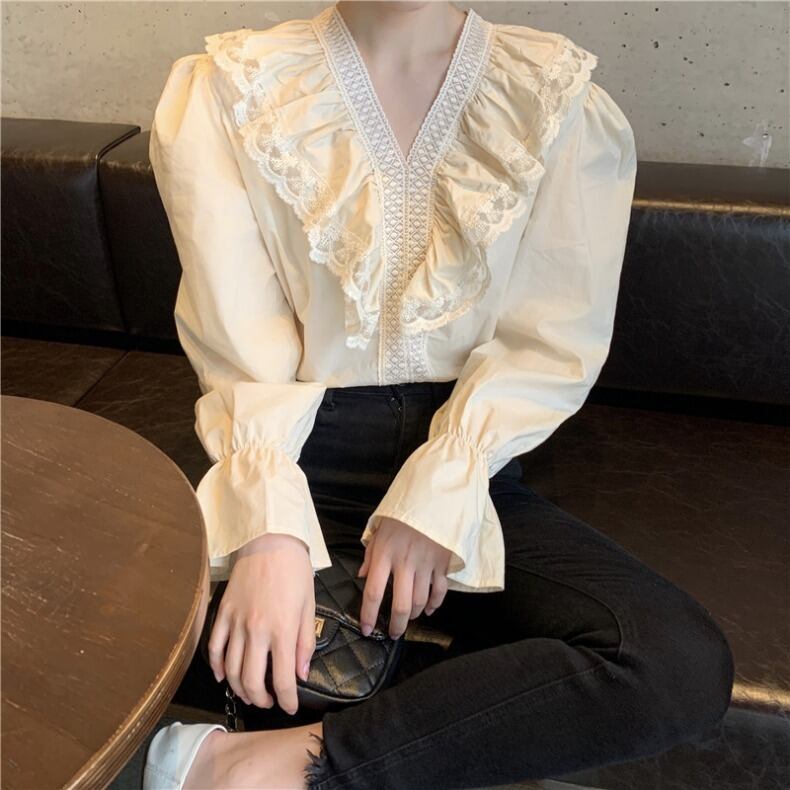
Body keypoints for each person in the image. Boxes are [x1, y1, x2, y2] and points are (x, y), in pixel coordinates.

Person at [144, 2, 735, 788]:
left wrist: (443, 483)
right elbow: (238, 339)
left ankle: (256, 762)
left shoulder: (553, 93)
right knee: (265, 662)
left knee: (674, 659)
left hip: (467, 455)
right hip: (292, 450)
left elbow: (548, 339)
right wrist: (268, 531)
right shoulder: (230, 85)